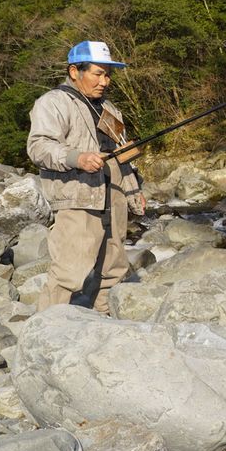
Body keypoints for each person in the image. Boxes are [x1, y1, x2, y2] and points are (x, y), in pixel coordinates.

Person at [27, 41, 145, 314]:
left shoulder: (111, 110)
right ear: (74, 71)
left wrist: (134, 191)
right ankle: (48, 329)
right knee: (70, 269)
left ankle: (102, 320)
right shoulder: (53, 103)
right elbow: (38, 146)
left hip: (113, 193)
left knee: (114, 266)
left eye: (107, 74)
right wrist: (76, 158)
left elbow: (122, 158)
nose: (105, 81)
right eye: (98, 73)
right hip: (76, 195)